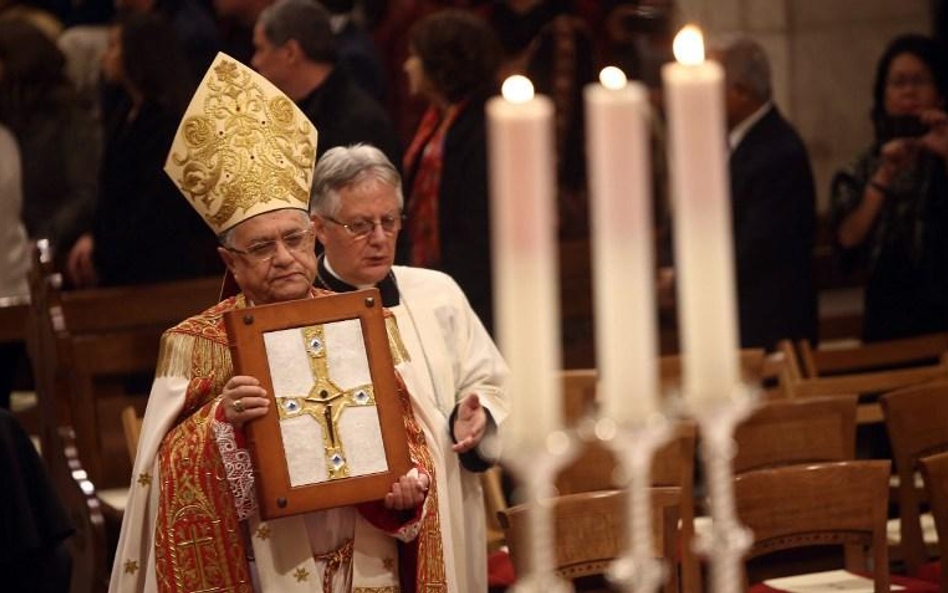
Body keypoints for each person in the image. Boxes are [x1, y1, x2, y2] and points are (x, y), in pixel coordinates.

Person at [109, 55, 445, 592]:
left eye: (294, 239)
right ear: (230, 262)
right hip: (264, 566)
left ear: (316, 237)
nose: (285, 257)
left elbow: (410, 436)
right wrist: (223, 422)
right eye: (262, 247)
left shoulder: (367, 322)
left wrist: (409, 487)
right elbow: (166, 476)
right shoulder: (196, 344)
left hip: (368, 556)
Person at [310, 143, 509, 593]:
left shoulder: (438, 293)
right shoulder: (298, 316)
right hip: (353, 533)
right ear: (318, 228)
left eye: (389, 221)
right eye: (360, 225)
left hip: (449, 506)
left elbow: (492, 381)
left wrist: (478, 414)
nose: (379, 238)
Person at [66, 12, 218, 287]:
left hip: (158, 266)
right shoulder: (124, 111)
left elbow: (151, 206)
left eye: (113, 47)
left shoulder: (168, 123)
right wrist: (95, 237)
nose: (105, 57)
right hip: (120, 259)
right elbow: (111, 191)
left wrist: (104, 248)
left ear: (137, 55)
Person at [830, 34, 948, 341]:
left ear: (939, 93)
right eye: (898, 82)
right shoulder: (864, 166)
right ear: (883, 94)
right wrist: (883, 178)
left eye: (919, 80)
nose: (909, 91)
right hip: (886, 323)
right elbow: (847, 242)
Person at [402, 9, 501, 332]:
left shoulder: (481, 127)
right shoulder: (436, 120)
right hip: (438, 275)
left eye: (415, 56)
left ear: (439, 65)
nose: (407, 65)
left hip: (474, 289)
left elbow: (476, 223)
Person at [717, 37, 818, 351]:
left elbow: (757, 248)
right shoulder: (746, 144)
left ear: (741, 92)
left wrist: (686, 282)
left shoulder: (777, 151)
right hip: (746, 322)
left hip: (772, 328)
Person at [252, 0, 401, 167]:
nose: (255, 61)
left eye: (260, 49)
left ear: (290, 53)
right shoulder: (293, 111)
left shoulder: (359, 127)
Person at [0, 19, 100, 261]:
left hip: (59, 252)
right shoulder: (10, 113)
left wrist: (43, 241)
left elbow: (84, 193)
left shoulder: (70, 116)